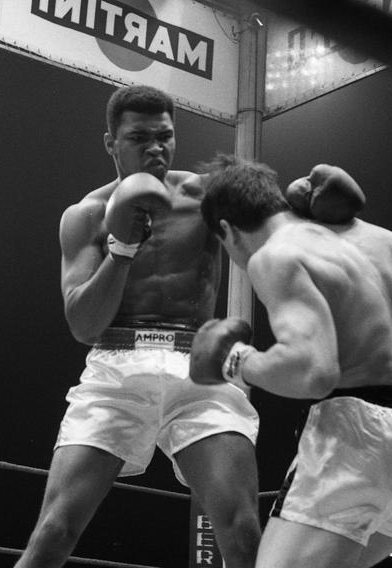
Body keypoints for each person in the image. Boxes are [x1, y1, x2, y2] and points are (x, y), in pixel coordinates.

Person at [15, 87, 261, 568]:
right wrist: (122, 249)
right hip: (116, 367)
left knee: (243, 530)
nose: (156, 149)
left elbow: (273, 247)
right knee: (54, 531)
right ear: (111, 143)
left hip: (199, 369)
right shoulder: (85, 216)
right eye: (140, 138)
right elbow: (83, 324)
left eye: (165, 137)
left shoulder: (207, 197)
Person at [191, 155, 392, 568]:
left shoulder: (274, 256)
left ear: (227, 230)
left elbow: (312, 372)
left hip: (362, 439)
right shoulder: (380, 238)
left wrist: (237, 361)